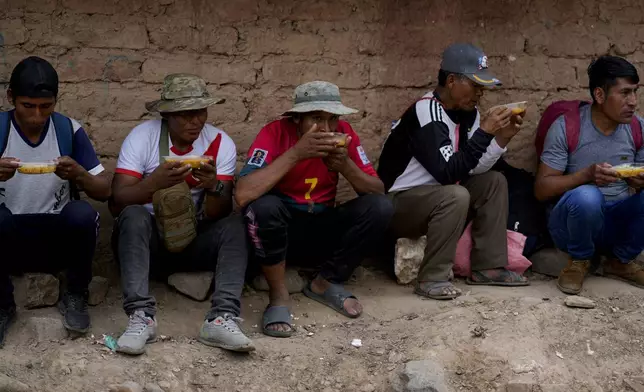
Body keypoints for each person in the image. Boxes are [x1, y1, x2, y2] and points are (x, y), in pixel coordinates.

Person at [236, 81, 393, 338]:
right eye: (317, 119)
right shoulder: (275, 133)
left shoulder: (345, 134)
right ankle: (278, 294)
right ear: (297, 119)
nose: (327, 128)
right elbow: (243, 194)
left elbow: (378, 191)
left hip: (321, 227)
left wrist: (346, 167)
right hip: (281, 233)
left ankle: (326, 282)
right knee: (263, 207)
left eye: (332, 119)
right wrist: (296, 154)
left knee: (380, 207)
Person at [110, 74, 253, 354]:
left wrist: (213, 186)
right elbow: (116, 203)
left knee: (235, 224)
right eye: (185, 114)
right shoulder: (143, 137)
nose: (195, 121)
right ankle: (141, 316)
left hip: (193, 240)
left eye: (200, 112)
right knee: (134, 216)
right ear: (167, 114)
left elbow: (217, 214)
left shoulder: (220, 142)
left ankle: (222, 318)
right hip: (149, 245)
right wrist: (153, 183)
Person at [377, 43, 529, 300]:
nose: (480, 93)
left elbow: (472, 166)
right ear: (451, 81)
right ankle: (432, 278)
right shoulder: (427, 110)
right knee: (456, 194)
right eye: (475, 85)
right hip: (398, 205)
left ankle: (488, 267)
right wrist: (484, 133)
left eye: (482, 87)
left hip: (438, 199)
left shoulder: (467, 112)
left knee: (493, 181)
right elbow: (447, 171)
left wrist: (501, 139)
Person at [0, 57, 110, 347]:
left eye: (45, 107)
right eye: (28, 106)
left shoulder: (68, 130)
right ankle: (3, 305)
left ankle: (75, 293)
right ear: (11, 98)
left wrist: (80, 175)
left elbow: (104, 190)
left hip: (55, 240)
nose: (37, 116)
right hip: (7, 239)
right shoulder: (0, 129)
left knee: (82, 213)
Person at [535, 56, 644, 294]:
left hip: (615, 222)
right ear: (600, 95)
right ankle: (579, 260)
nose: (633, 102)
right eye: (625, 93)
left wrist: (639, 183)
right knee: (587, 196)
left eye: (635, 92)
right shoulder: (567, 127)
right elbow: (541, 189)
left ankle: (620, 261)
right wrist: (585, 175)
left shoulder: (637, 127)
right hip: (571, 225)